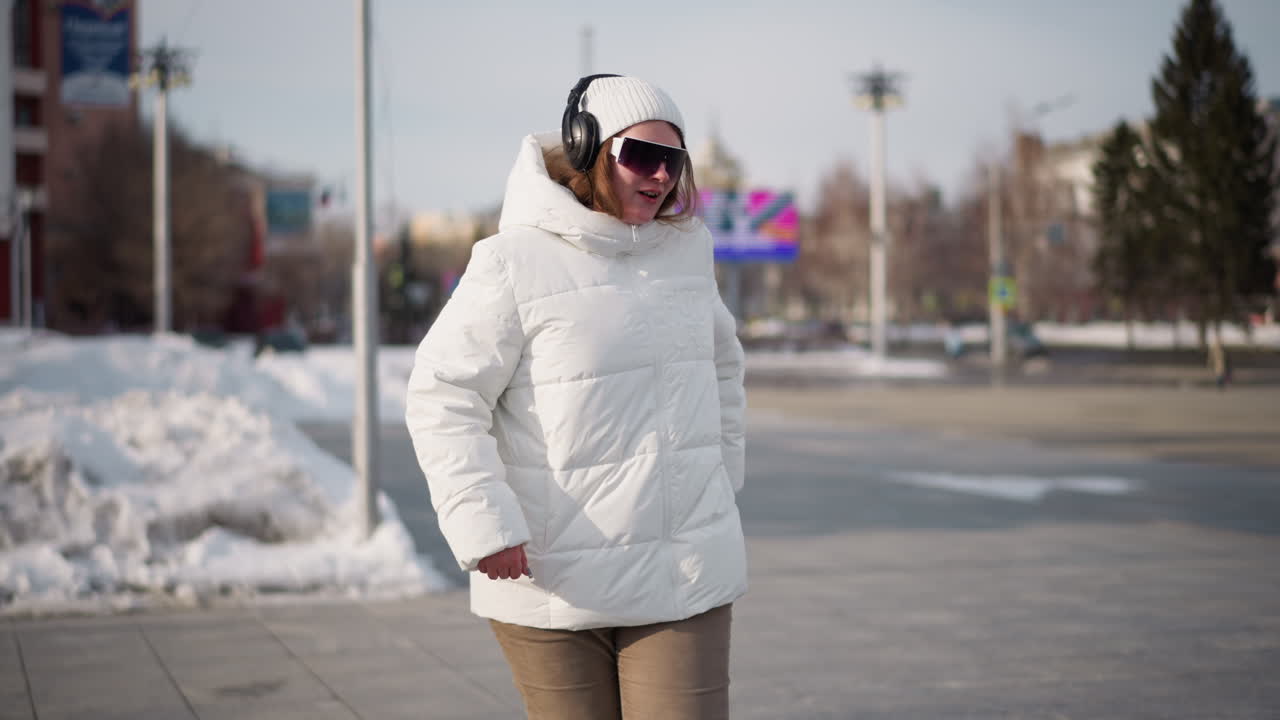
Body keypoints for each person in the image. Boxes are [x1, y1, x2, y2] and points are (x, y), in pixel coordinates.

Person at [405, 74, 748, 719]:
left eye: (673, 161)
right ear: (591, 149)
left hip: (683, 572)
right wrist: (485, 523)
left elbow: (724, 367)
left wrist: (717, 476)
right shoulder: (513, 261)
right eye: (642, 155)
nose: (660, 177)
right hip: (548, 577)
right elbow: (443, 396)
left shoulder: (686, 255)